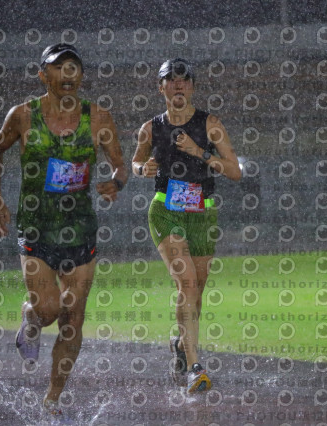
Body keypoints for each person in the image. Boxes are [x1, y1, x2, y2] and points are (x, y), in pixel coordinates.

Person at [0, 43, 127, 415]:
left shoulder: (98, 118)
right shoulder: (22, 116)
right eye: (59, 67)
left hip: (80, 230)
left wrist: (116, 181)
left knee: (73, 319)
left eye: (73, 68)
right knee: (49, 311)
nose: (68, 74)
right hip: (37, 228)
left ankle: (52, 399)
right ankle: (32, 315)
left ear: (81, 76)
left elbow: (119, 164)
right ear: (42, 75)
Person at [132, 58, 241, 393]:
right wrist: (142, 170)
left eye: (184, 79)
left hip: (202, 214)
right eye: (171, 79)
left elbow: (235, 171)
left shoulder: (210, 124)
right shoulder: (151, 128)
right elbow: (136, 161)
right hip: (165, 211)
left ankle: (181, 345)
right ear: (161, 87)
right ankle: (195, 367)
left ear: (192, 86)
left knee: (197, 290)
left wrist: (200, 152)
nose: (178, 84)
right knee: (188, 286)